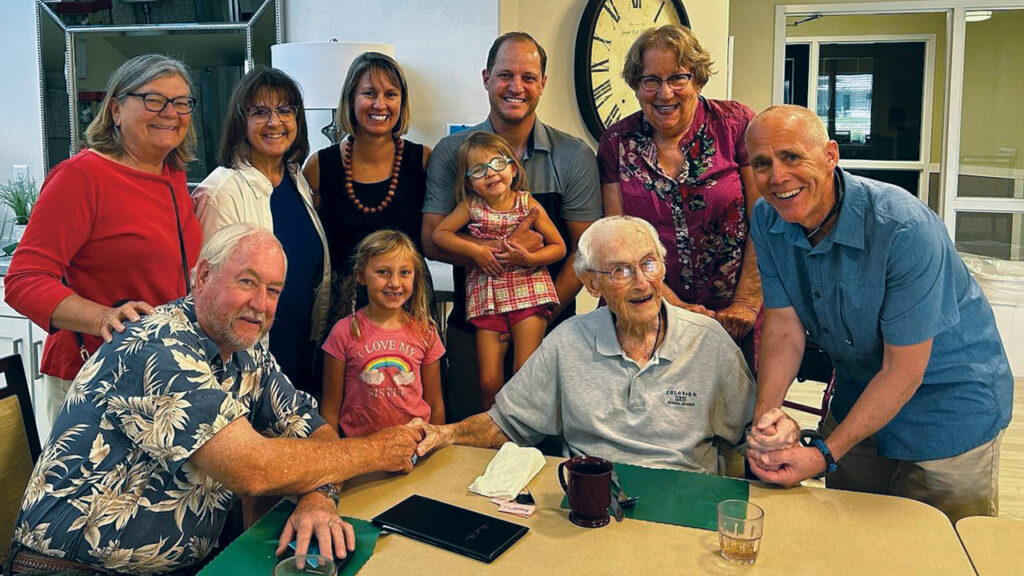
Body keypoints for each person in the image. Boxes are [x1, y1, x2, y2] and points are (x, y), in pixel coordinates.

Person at [7, 224, 423, 575]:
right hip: (72, 568)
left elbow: (313, 428)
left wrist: (317, 498)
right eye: (247, 282)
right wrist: (378, 450)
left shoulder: (245, 346)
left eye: (274, 290)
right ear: (203, 277)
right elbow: (252, 469)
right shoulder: (158, 346)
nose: (261, 304)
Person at [743, 105, 1013, 522]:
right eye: (762, 164)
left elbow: (903, 371)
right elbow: (783, 327)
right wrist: (767, 419)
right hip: (860, 391)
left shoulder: (902, 227)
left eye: (792, 157)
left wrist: (824, 453)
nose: (777, 177)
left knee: (939, 543)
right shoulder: (767, 218)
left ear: (831, 155)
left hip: (948, 401)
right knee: (853, 534)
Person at [413, 216, 755, 475]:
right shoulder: (567, 341)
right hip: (590, 496)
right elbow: (504, 423)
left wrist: (777, 437)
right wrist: (446, 434)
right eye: (620, 271)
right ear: (591, 283)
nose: (641, 282)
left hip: (684, 501)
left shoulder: (708, 341)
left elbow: (749, 432)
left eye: (649, 264)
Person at [3, 54, 202, 426]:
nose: (170, 112)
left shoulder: (172, 175)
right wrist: (103, 317)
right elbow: (23, 281)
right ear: (115, 109)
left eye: (181, 102)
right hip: (93, 371)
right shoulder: (81, 177)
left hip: (159, 370)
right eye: (153, 100)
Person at [421, 31, 603, 421]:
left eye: (528, 77)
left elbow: (584, 252)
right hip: (474, 325)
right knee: (470, 444)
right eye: (505, 75)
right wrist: (496, 250)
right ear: (486, 78)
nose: (516, 87)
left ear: (543, 83)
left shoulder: (573, 157)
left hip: (548, 327)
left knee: (546, 441)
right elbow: (432, 241)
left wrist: (532, 313)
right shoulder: (452, 153)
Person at [598, 24, 762, 347]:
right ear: (636, 86)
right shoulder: (616, 143)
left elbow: (766, 221)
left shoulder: (737, 125)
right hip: (649, 311)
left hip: (737, 317)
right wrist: (674, 307)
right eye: (651, 80)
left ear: (697, 79)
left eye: (677, 78)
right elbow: (616, 240)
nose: (664, 93)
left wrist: (746, 302)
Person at [193, 66, 330, 396]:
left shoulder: (297, 181)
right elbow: (204, 292)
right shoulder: (221, 191)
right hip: (243, 363)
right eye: (260, 112)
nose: (274, 122)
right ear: (241, 122)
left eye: (285, 110)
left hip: (297, 350)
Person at [432, 132, 565, 408]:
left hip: (528, 292)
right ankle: (492, 435)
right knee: (488, 381)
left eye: (497, 164)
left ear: (513, 169)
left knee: (524, 374)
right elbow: (440, 235)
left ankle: (522, 440)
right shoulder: (471, 206)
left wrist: (526, 259)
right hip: (487, 298)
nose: (490, 174)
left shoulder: (527, 203)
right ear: (469, 182)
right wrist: (477, 250)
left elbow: (559, 247)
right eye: (479, 170)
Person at [304, 51, 431, 327]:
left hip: (409, 310)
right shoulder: (319, 166)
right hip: (342, 318)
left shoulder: (423, 161)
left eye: (390, 94)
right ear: (350, 99)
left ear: (402, 101)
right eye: (369, 93)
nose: (380, 104)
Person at [322, 229, 445, 437]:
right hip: (361, 453)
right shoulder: (342, 332)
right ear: (361, 275)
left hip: (415, 451)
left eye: (404, 273)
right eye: (383, 272)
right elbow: (330, 410)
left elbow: (435, 404)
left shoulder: (426, 332)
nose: (395, 283)